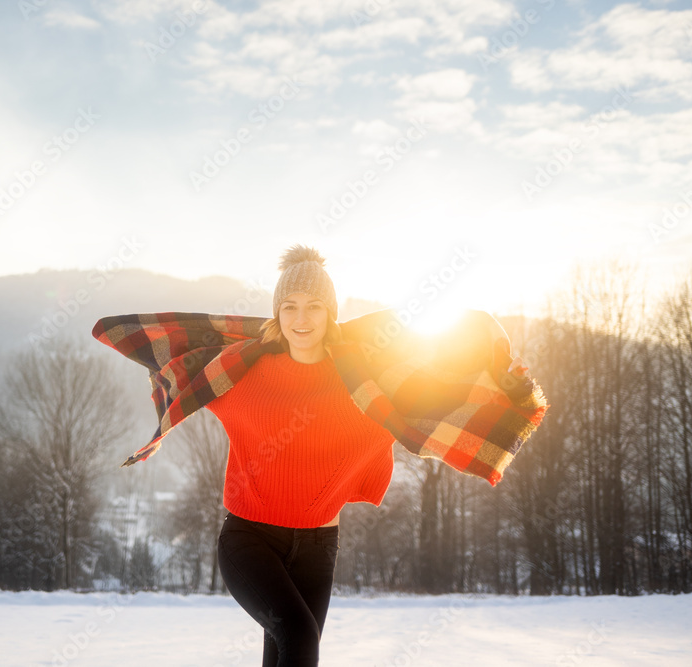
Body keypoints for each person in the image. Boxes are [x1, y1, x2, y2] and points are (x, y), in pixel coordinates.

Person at [90, 243, 542, 667]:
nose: (301, 318)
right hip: (249, 541)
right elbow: (185, 376)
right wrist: (159, 388)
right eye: (290, 307)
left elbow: (428, 388)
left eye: (313, 306)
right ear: (277, 314)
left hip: (319, 546)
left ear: (331, 314)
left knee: (290, 652)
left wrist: (497, 378)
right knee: (300, 638)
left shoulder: (363, 382)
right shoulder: (240, 372)